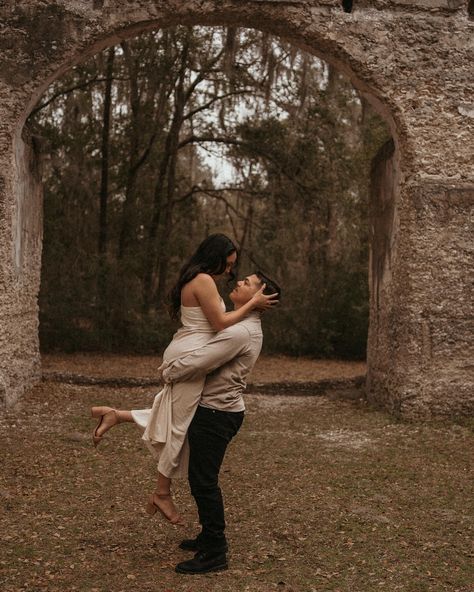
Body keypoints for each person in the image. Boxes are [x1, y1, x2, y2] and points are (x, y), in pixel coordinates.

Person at [91, 234, 277, 524]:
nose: (231, 273)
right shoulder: (204, 280)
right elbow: (219, 324)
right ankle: (161, 493)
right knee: (178, 425)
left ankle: (116, 416)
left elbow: (222, 325)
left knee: (175, 415)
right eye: (228, 265)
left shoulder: (203, 280)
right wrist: (252, 302)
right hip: (189, 353)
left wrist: (251, 306)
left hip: (189, 347)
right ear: (214, 256)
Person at [166, 271, 282, 574]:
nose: (240, 282)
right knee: (201, 478)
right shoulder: (240, 324)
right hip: (218, 411)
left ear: (259, 298)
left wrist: (169, 371)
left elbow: (200, 361)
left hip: (217, 414)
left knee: (204, 482)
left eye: (248, 283)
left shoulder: (241, 332)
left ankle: (215, 550)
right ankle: (208, 536)